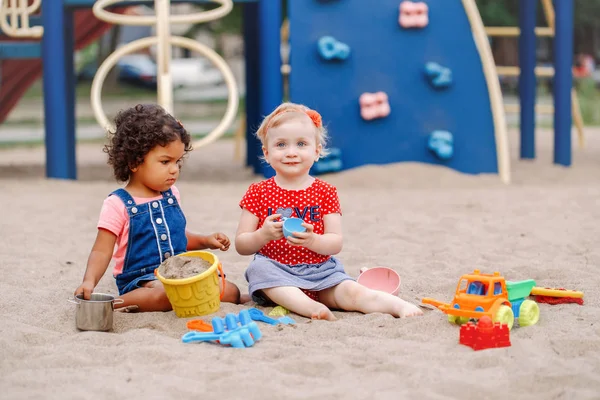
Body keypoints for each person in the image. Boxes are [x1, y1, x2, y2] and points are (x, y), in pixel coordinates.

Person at [234, 102, 423, 320]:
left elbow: (335, 242)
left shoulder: (325, 191)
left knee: (353, 293)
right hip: (276, 272)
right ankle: (312, 308)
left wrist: (312, 240)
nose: (291, 152)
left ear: (316, 152)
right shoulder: (258, 191)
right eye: (281, 145)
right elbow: (241, 244)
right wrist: (262, 235)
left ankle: (397, 306)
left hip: (321, 271)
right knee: (259, 269)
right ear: (267, 153)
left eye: (301, 144)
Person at [74, 104, 246, 312]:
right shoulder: (118, 204)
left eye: (177, 162)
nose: (174, 170)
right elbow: (101, 251)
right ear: (134, 162)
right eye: (165, 162)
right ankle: (114, 304)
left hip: (180, 272)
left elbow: (176, 236)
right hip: (143, 280)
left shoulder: (172, 195)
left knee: (231, 291)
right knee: (163, 295)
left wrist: (205, 240)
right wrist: (89, 281)